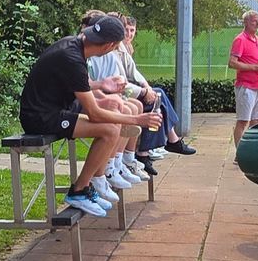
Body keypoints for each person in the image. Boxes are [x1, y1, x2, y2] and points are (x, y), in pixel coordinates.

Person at [18, 17, 162, 216]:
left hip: (57, 106)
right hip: (40, 117)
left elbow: (80, 84)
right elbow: (94, 113)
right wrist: (138, 120)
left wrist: (102, 88)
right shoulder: (72, 58)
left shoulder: (73, 45)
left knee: (113, 112)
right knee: (109, 130)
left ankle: (102, 176)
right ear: (110, 45)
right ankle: (80, 190)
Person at [81, 11, 152, 187]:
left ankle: (118, 163)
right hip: (62, 110)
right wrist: (135, 119)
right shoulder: (77, 51)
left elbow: (92, 85)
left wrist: (110, 93)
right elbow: (87, 94)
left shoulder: (103, 52)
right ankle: (98, 176)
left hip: (79, 101)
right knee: (113, 126)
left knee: (131, 106)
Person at [121, 14, 195, 166]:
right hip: (123, 94)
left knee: (157, 101)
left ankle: (152, 148)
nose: (129, 34)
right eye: (126, 30)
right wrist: (145, 91)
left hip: (129, 91)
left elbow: (135, 74)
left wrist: (147, 88)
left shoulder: (127, 48)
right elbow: (123, 79)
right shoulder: (118, 49)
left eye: (132, 30)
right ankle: (154, 146)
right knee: (156, 102)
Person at [230, 10, 258, 145]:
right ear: (246, 22)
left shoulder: (257, 39)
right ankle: (239, 152)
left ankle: (251, 149)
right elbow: (232, 63)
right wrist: (254, 68)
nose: (257, 23)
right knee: (243, 121)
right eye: (254, 21)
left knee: (257, 121)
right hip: (247, 87)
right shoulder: (240, 40)